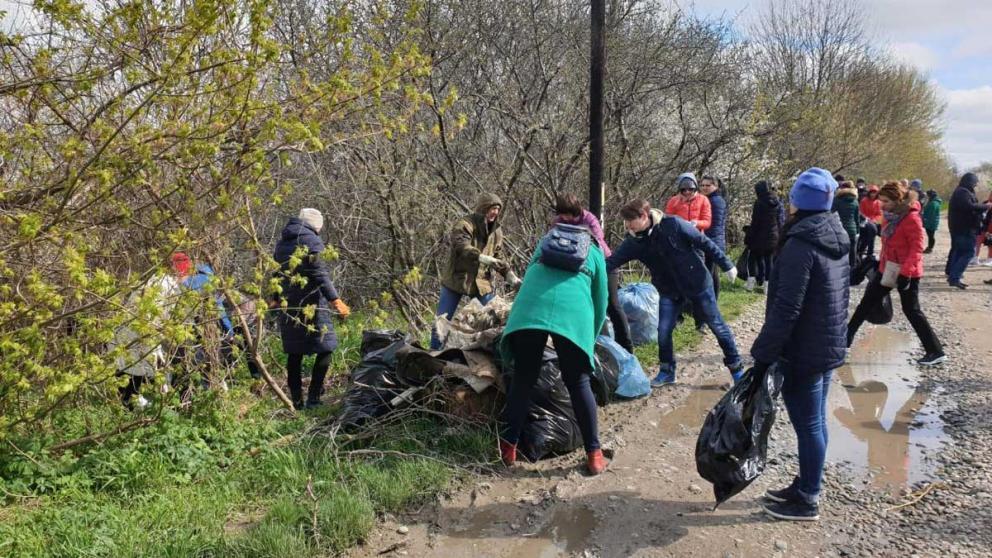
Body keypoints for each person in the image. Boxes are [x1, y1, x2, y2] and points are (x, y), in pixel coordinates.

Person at [750, 168, 850, 522]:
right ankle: (806, 483)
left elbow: (786, 307)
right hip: (826, 343)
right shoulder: (834, 232)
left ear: (797, 202)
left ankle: (808, 498)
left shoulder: (800, 244)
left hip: (805, 349)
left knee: (808, 425)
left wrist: (763, 354)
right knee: (815, 421)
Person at [498, 223, 609, 474]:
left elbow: (529, 278)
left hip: (529, 310)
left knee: (523, 378)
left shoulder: (545, 242)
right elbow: (601, 302)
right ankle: (594, 454)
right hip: (572, 317)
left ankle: (507, 449)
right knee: (578, 382)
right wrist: (588, 340)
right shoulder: (595, 252)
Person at [607, 199, 742, 387]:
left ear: (644, 216)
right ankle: (667, 371)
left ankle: (737, 370)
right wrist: (588, 271)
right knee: (663, 331)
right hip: (669, 290)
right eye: (626, 221)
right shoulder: (633, 242)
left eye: (630, 220)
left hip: (697, 283)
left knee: (717, 326)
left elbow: (704, 242)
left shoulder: (674, 224)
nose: (627, 225)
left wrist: (727, 264)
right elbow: (612, 262)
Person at [848, 182, 945, 365]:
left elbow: (917, 249)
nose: (881, 204)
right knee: (865, 304)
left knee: (912, 311)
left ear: (898, 200)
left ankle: (935, 351)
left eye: (885, 201)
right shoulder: (889, 216)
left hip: (907, 273)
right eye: (880, 201)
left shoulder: (912, 218)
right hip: (887, 269)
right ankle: (845, 341)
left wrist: (906, 273)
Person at [272, 208, 350, 409]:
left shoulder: (282, 242)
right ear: (316, 225)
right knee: (327, 347)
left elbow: (276, 273)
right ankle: (314, 398)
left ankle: (296, 401)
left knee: (294, 352)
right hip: (311, 304)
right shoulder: (311, 241)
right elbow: (319, 274)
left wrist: (275, 297)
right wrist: (336, 300)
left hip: (288, 304)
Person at [431, 194, 519, 350]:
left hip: (481, 283)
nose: (495, 213)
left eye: (498, 209)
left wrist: (510, 277)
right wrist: (482, 257)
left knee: (492, 318)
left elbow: (499, 257)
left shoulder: (496, 231)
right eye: (493, 208)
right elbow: (461, 246)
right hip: (457, 278)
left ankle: (486, 354)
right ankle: (434, 352)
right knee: (442, 321)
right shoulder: (465, 224)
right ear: (484, 208)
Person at [552, 193, 633, 352]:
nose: (565, 218)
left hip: (604, 265)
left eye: (566, 214)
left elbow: (597, 238)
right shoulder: (558, 222)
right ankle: (602, 346)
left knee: (612, 305)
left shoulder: (588, 219)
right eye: (561, 214)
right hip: (577, 269)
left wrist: (578, 235)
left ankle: (626, 347)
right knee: (592, 306)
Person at [945, 173, 990, 289]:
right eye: (975, 182)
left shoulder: (961, 191)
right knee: (968, 252)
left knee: (959, 252)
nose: (976, 184)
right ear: (970, 181)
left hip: (961, 228)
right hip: (964, 228)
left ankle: (953, 277)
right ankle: (955, 276)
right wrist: (986, 207)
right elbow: (969, 206)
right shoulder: (963, 192)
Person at [695, 176, 727, 331]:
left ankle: (709, 313)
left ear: (716, 186)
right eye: (702, 185)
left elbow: (712, 226)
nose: (705, 187)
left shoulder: (715, 201)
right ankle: (708, 310)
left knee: (710, 277)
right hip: (709, 241)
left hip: (711, 242)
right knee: (711, 275)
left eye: (708, 185)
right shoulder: (709, 200)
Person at [744, 180, 782, 292]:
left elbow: (756, 221)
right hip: (773, 235)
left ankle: (751, 283)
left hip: (759, 236)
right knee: (769, 260)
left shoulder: (759, 202)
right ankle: (767, 286)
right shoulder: (776, 201)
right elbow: (779, 219)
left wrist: (749, 234)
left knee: (752, 257)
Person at [832, 180, 860, 268]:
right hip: (852, 230)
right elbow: (857, 219)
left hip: (839, 230)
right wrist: (857, 231)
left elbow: (832, 214)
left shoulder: (836, 200)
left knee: (839, 252)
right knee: (852, 253)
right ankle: (852, 272)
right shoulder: (855, 201)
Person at [857, 184, 882, 258]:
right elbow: (861, 212)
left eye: (875, 193)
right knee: (865, 237)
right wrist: (866, 218)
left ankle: (869, 253)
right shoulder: (864, 201)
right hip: (865, 222)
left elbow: (880, 214)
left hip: (874, 223)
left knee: (872, 236)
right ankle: (861, 251)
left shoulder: (878, 202)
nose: (873, 194)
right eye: (872, 192)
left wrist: (873, 220)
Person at [922, 189, 942, 254]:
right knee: (930, 235)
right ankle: (929, 247)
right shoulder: (934, 202)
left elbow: (930, 214)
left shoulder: (933, 203)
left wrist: (924, 218)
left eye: (928, 195)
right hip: (931, 221)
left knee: (931, 236)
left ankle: (930, 248)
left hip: (931, 222)